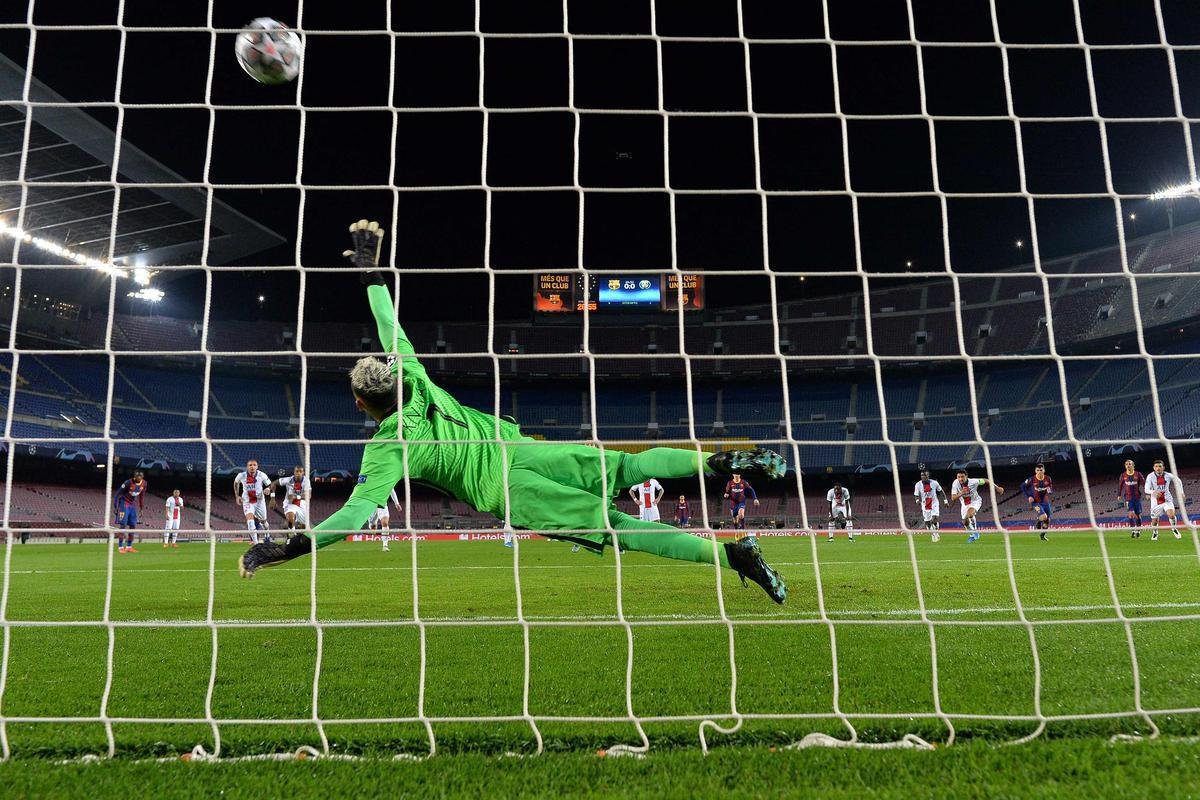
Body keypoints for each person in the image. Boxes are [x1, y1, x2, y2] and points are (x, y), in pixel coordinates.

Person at [238, 220, 787, 603]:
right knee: (628, 464)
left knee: (622, 528)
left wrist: (294, 546)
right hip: (522, 448)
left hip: (508, 489)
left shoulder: (386, 448)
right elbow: (390, 328)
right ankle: (720, 460)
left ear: (361, 403)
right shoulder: (416, 377)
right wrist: (370, 273)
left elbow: (356, 517)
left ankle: (735, 556)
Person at [951, 470, 1003, 543]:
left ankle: (975, 531)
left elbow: (986, 480)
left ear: (966, 476)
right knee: (965, 522)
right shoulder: (955, 483)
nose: (960, 479)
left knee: (970, 514)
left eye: (962, 477)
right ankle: (972, 535)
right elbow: (953, 497)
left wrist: (997, 488)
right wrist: (961, 493)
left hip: (975, 501)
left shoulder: (974, 481)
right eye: (958, 477)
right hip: (964, 504)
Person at [233, 459, 273, 543]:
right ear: (247, 467)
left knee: (263, 521)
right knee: (250, 521)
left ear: (257, 467)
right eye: (250, 465)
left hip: (259, 502)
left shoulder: (261, 475)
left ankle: (267, 534)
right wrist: (237, 496)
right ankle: (256, 544)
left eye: (254, 465)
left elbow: (270, 484)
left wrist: (268, 488)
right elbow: (236, 483)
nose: (252, 467)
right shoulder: (241, 475)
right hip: (247, 501)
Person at [1144, 459, 1184, 541]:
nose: (1158, 468)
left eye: (1160, 466)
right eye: (1156, 466)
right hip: (1155, 502)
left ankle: (1174, 529)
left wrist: (1181, 492)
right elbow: (1146, 489)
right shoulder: (1150, 476)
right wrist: (1153, 492)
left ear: (1163, 467)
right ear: (1153, 468)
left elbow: (1178, 480)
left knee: (1171, 515)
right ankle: (1155, 532)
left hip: (1167, 499)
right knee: (1154, 521)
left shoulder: (1168, 475)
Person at [113, 470, 147, 553]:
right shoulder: (128, 482)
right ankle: (120, 547)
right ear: (134, 476)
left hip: (132, 505)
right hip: (124, 504)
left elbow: (142, 496)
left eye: (140, 476)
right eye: (137, 476)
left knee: (133, 525)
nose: (138, 477)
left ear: (142, 477)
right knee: (123, 525)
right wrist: (115, 506)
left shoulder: (144, 483)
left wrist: (141, 508)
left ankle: (129, 546)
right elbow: (118, 493)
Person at [271, 466, 311, 536]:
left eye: (300, 471)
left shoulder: (306, 481)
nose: (298, 473)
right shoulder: (288, 480)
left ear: (303, 473)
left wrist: (296, 497)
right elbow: (273, 483)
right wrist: (272, 498)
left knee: (303, 526)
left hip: (302, 504)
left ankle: (299, 537)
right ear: (294, 472)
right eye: (296, 471)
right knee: (290, 518)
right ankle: (293, 535)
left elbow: (309, 495)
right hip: (289, 503)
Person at [913, 470, 947, 542]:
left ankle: (936, 531)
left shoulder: (934, 483)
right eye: (922, 475)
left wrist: (945, 501)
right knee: (927, 523)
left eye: (925, 475)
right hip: (925, 504)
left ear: (928, 476)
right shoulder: (918, 484)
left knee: (934, 518)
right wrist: (917, 501)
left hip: (934, 503)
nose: (923, 477)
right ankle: (933, 534)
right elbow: (916, 495)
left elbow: (941, 491)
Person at [1021, 463, 1053, 541]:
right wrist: (1029, 496)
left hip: (1045, 502)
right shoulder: (1031, 479)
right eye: (1038, 470)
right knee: (1044, 517)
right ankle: (1039, 520)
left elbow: (1050, 488)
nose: (1039, 471)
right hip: (1036, 502)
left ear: (1044, 470)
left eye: (1041, 470)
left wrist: (1050, 490)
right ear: (1035, 471)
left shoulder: (1048, 478)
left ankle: (1042, 536)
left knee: (1047, 520)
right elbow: (1022, 486)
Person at [1117, 459, 1145, 539]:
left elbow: (1144, 483)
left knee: (1138, 515)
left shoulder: (1138, 474)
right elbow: (1120, 485)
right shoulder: (1123, 475)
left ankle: (1138, 530)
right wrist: (1119, 494)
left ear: (1133, 465)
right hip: (1128, 498)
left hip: (1137, 498)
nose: (1128, 465)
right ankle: (1133, 531)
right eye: (1126, 464)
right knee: (1131, 514)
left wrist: (1147, 492)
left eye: (1130, 464)